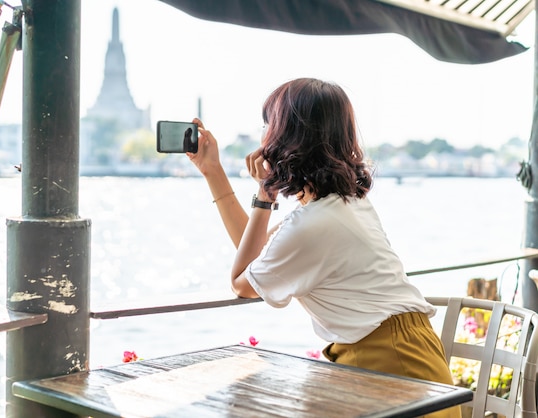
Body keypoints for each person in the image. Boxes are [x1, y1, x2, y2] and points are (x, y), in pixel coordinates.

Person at [187, 77, 459, 418]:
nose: (262, 135)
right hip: (402, 356)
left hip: (388, 364)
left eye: (267, 125)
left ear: (287, 138)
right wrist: (213, 172)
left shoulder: (315, 224)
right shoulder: (343, 203)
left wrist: (264, 192)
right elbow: (258, 253)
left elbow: (243, 280)